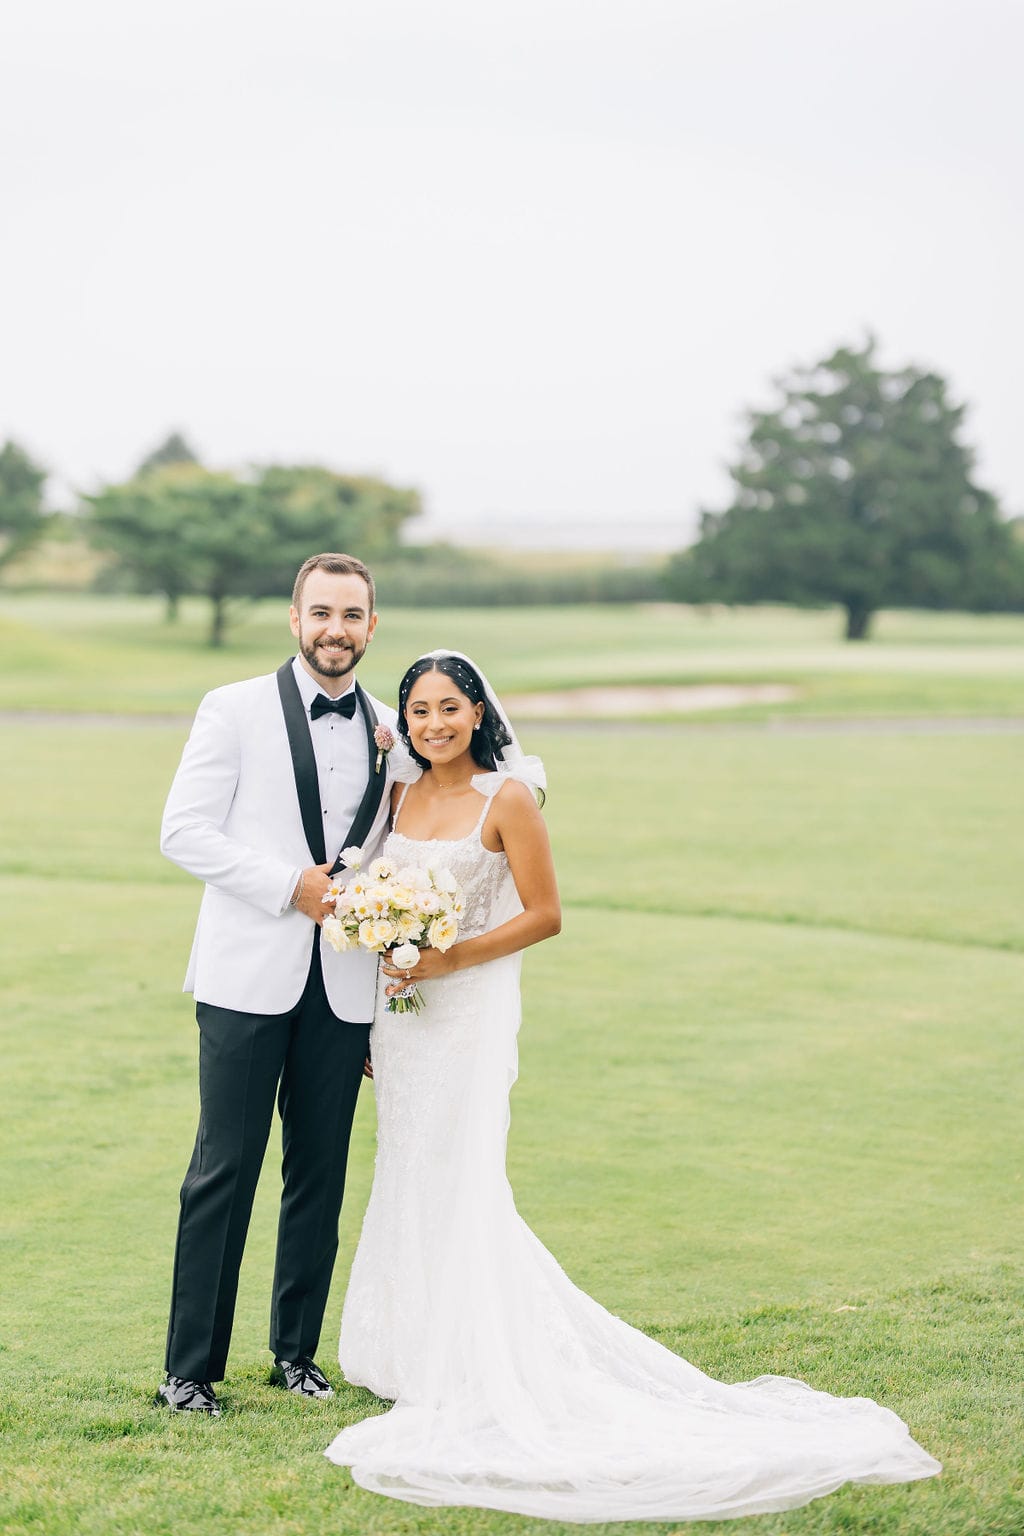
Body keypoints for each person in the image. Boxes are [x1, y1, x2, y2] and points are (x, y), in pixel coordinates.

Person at [323, 649, 941, 1523]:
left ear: (478, 713)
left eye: (450, 708)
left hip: (468, 1013)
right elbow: (371, 892)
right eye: (419, 711)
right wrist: (387, 957)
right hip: (404, 1016)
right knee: (409, 1165)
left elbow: (545, 914)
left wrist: (448, 956)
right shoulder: (398, 796)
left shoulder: (508, 799)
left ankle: (474, 1356)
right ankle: (411, 1352)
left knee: (462, 1173)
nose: (434, 725)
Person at [155, 552, 413, 1416]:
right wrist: (287, 886)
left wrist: (387, 983)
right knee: (222, 1171)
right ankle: (189, 1372)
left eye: (353, 615)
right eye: (321, 613)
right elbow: (182, 832)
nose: (336, 629)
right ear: (294, 619)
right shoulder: (230, 709)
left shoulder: (393, 725)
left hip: (343, 988)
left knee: (321, 1172)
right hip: (243, 976)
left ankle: (295, 1356)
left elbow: (391, 860)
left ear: (372, 626)